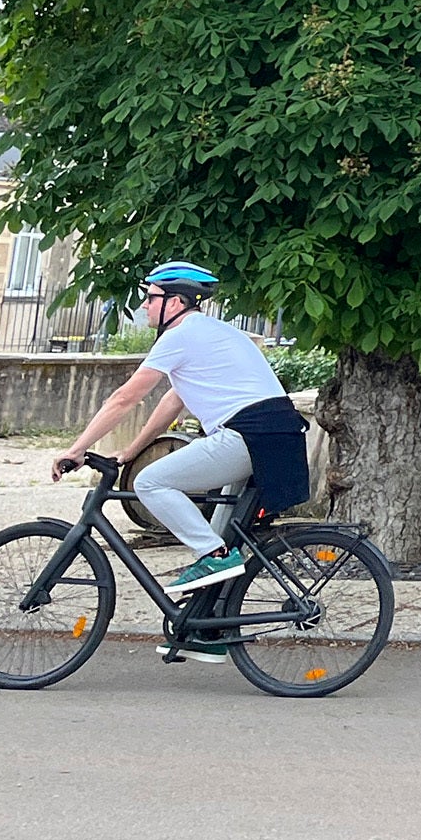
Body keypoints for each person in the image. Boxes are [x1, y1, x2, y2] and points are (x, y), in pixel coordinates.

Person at [54, 264, 314, 620]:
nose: (144, 306)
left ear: (176, 302)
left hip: (247, 435)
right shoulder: (212, 333)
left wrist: (77, 449)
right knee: (220, 534)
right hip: (272, 437)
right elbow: (172, 400)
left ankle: (213, 557)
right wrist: (132, 450)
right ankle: (211, 627)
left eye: (151, 298)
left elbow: (124, 399)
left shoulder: (180, 336)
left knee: (151, 482)